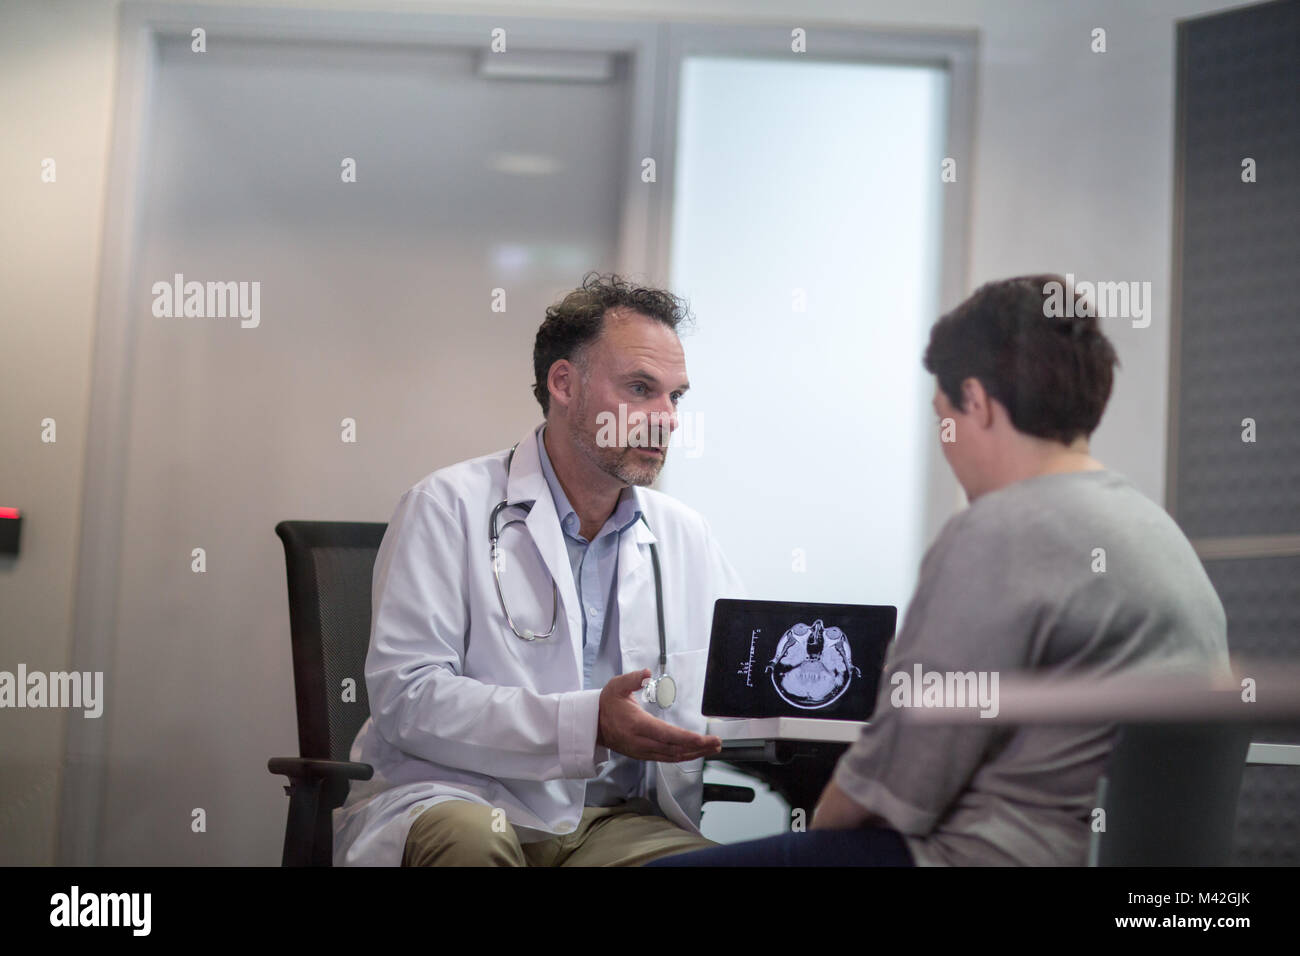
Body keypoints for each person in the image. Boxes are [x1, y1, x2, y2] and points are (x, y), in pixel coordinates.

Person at [648, 274, 1229, 867]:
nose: (947, 448)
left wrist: (815, 835)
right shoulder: (1159, 534)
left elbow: (895, 787)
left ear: (974, 401)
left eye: (942, 417)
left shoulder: (998, 532)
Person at [334, 273, 744, 866]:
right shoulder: (447, 505)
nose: (667, 419)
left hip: (610, 822)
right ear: (563, 383)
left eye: (674, 397)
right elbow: (408, 698)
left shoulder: (684, 535)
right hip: (459, 796)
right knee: (475, 843)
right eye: (639, 388)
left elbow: (741, 689)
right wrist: (587, 724)